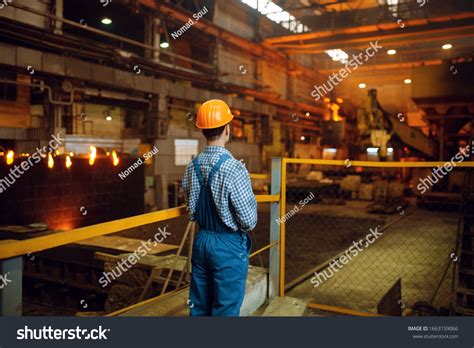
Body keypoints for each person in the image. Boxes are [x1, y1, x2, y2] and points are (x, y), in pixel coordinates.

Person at [182, 99, 257, 316]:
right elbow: (249, 221)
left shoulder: (191, 167)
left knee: (199, 307)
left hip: (202, 240)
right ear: (227, 129)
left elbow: (191, 209)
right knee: (225, 309)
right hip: (227, 245)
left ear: (203, 130)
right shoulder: (234, 168)